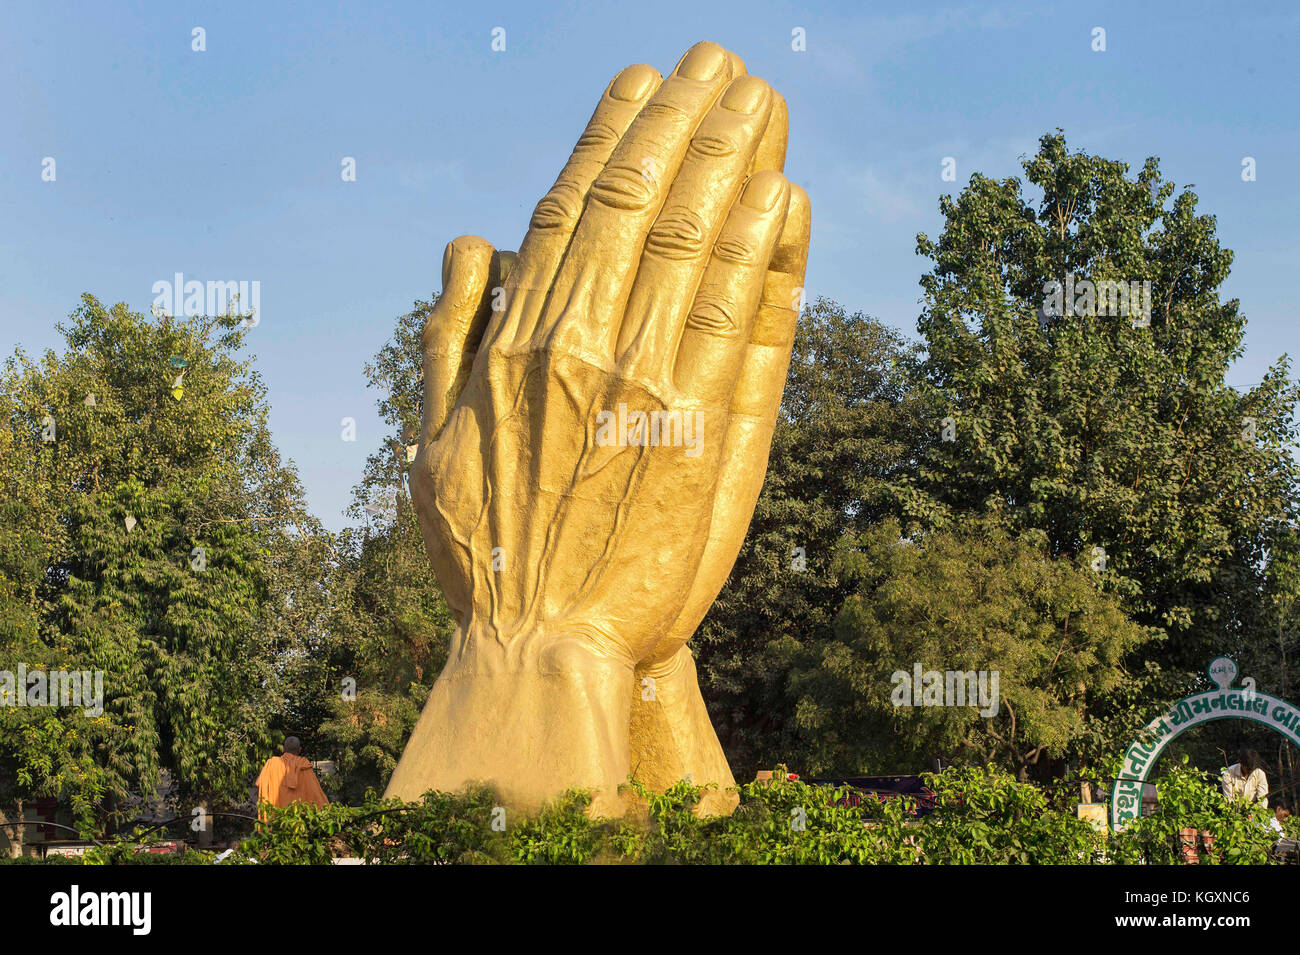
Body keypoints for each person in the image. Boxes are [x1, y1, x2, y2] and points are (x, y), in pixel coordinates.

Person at [255, 736, 329, 816]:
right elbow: (316, 794)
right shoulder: (303, 766)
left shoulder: (271, 764)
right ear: (299, 750)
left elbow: (260, 784)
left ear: (283, 749)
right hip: (298, 821)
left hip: (275, 819)